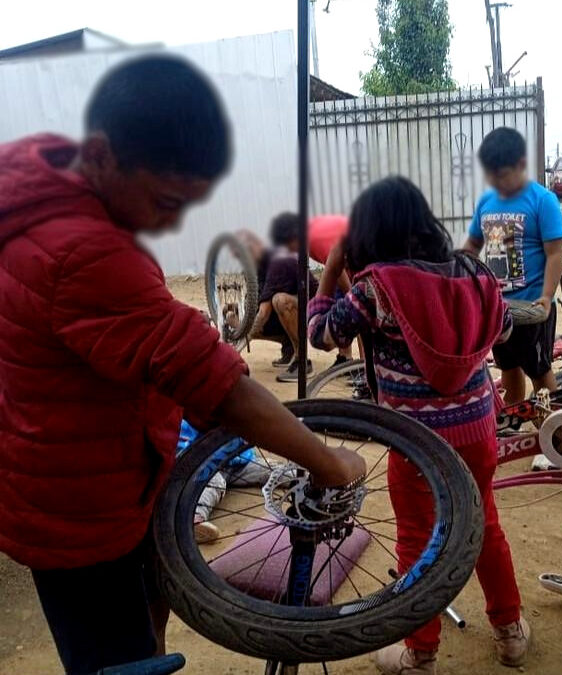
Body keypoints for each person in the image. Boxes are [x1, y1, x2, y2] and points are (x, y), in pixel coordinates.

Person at [0, 55, 365, 675]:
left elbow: (120, 318)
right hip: (83, 512)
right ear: (103, 153)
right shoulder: (86, 252)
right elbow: (218, 389)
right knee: (115, 659)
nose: (170, 222)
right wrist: (330, 460)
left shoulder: (37, 178)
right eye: (166, 198)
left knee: (146, 611)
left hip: (72, 467)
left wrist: (175, 328)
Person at [308, 176, 530, 673]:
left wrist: (331, 269)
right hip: (477, 430)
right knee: (484, 524)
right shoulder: (471, 273)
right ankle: (510, 633)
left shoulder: (376, 287)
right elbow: (506, 326)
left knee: (417, 536)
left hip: (414, 441)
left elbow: (321, 334)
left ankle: (421, 653)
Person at [464, 128, 562, 469]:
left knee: (541, 374)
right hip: (499, 310)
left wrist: (547, 297)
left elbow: (555, 254)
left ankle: (552, 442)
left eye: (502, 174)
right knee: (508, 370)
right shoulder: (487, 202)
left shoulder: (542, 201)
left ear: (521, 164)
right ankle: (512, 425)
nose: (497, 181)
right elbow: (472, 247)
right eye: (491, 174)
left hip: (532, 308)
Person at [249, 212, 353, 380]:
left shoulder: (311, 241)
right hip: (354, 256)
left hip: (360, 257)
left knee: (354, 305)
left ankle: (360, 367)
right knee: (347, 297)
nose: (289, 251)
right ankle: (346, 360)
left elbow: (335, 267)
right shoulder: (309, 235)